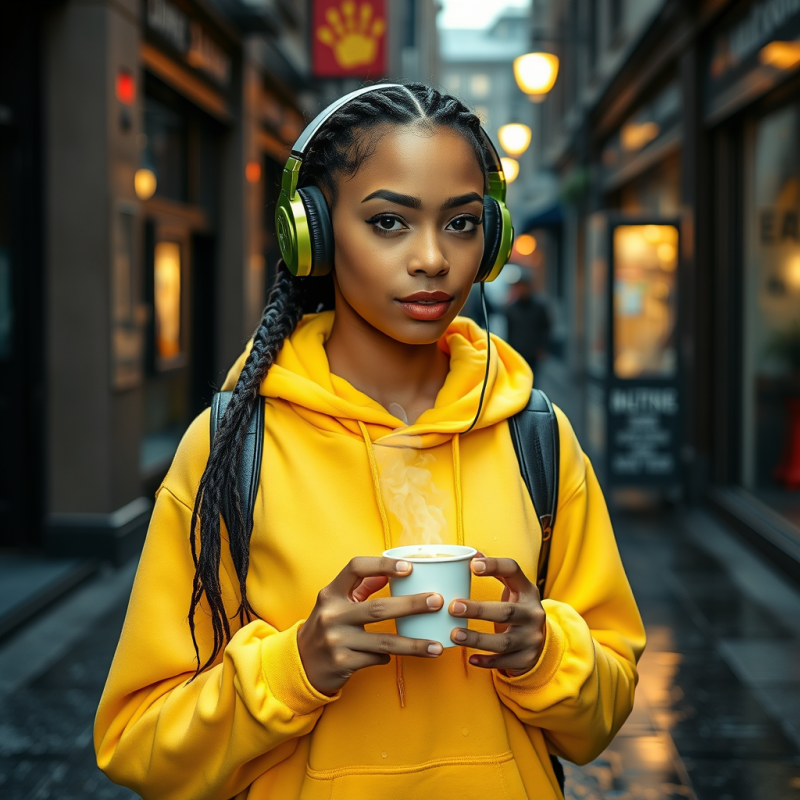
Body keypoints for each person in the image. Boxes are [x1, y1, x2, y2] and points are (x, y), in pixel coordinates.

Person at [95, 83, 644, 800]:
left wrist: (545, 656)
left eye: (461, 223)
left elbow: (603, 713)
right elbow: (138, 742)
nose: (432, 260)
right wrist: (297, 668)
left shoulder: (535, 435)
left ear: (493, 239)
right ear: (312, 234)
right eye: (389, 222)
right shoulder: (231, 446)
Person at [505, 269, 552, 373]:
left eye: (524, 287)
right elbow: (509, 330)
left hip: (533, 352)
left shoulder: (539, 307)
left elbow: (546, 327)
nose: (522, 290)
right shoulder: (511, 309)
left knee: (534, 378)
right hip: (517, 352)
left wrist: (542, 347)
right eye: (519, 287)